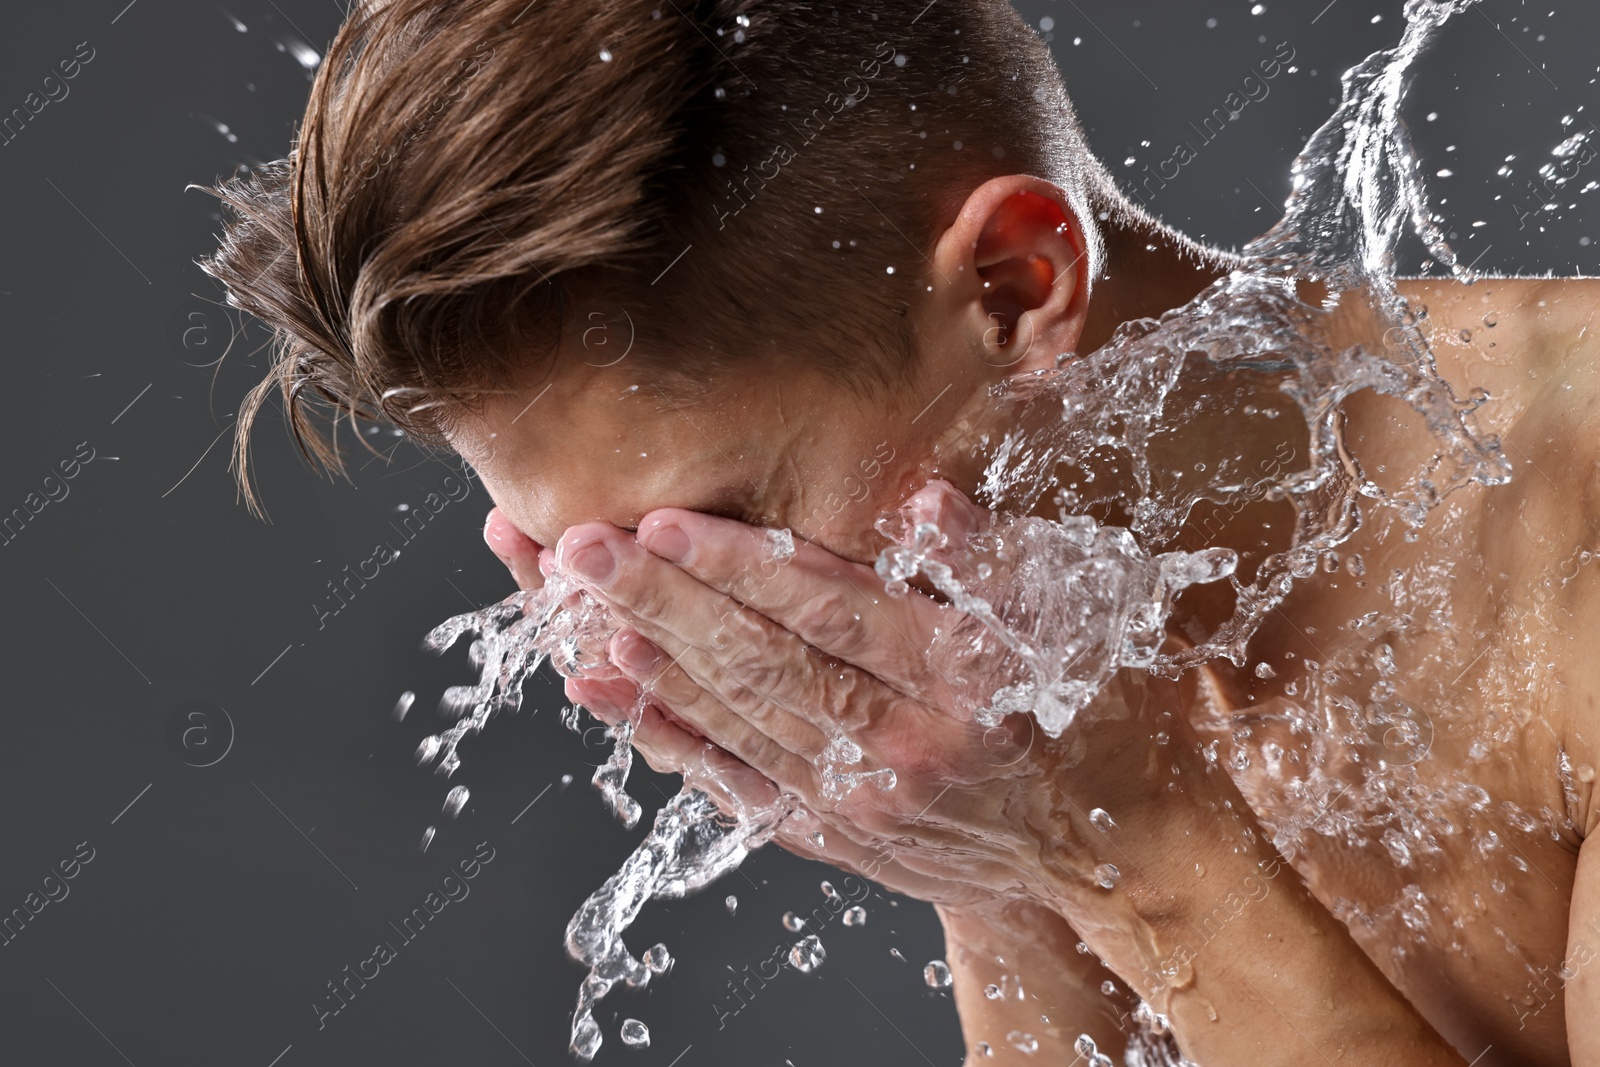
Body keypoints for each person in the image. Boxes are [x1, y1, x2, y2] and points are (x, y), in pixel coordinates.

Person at [201, 0, 1600, 1062]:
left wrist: (1126, 852)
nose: (693, 620)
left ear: (1015, 283)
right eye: (585, 570)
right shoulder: (1048, 643)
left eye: (721, 527)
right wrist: (983, 874)